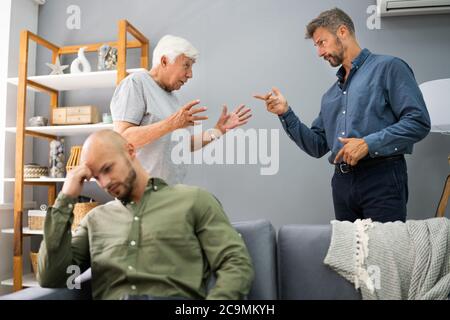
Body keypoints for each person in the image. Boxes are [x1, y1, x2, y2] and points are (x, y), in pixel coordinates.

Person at [254, 8, 430, 223]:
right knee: (349, 256)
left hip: (382, 177)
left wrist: (368, 143)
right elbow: (317, 146)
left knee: (385, 255)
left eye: (322, 42)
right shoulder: (330, 95)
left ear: (343, 32)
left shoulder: (389, 67)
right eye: (316, 46)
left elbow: (418, 121)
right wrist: (285, 113)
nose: (319, 52)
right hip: (342, 184)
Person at [37, 130, 254, 300]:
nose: (104, 183)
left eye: (107, 169)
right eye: (95, 177)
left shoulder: (194, 200)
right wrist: (65, 198)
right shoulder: (94, 220)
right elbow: (52, 277)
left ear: (130, 150)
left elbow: (235, 262)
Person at [110, 35, 252, 184]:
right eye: (186, 65)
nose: (190, 74)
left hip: (170, 191)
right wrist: (171, 124)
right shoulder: (136, 83)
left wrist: (218, 130)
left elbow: (183, 145)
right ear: (164, 61)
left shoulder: (172, 98)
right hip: (142, 192)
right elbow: (122, 139)